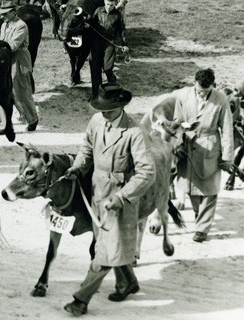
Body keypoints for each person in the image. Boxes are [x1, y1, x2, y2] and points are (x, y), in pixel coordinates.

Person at [62, 83, 155, 317]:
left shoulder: (135, 132)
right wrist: (78, 167)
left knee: (103, 252)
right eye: (101, 108)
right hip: (97, 193)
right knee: (111, 244)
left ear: (121, 106)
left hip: (120, 200)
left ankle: (80, 300)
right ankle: (130, 282)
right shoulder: (96, 122)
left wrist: (122, 197)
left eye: (109, 109)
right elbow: (87, 148)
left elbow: (147, 172)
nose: (105, 113)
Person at [150, 68, 234, 243]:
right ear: (195, 83)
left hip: (210, 146)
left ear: (212, 86)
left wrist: (227, 158)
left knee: (210, 189)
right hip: (187, 146)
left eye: (206, 90)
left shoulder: (221, 100)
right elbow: (177, 122)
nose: (202, 93)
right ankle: (199, 212)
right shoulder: (184, 96)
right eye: (200, 90)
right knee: (191, 187)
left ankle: (202, 229)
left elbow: (227, 129)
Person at [0, 0, 38, 132]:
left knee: (21, 91)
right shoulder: (4, 25)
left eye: (5, 14)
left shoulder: (21, 25)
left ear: (13, 12)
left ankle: (32, 119)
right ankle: (5, 124)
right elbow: (1, 42)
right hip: (6, 60)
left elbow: (13, 46)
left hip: (19, 61)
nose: (2, 16)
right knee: (3, 92)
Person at [91, 0, 127, 84]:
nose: (109, 7)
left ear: (115, 4)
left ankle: (111, 79)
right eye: (107, 4)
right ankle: (97, 90)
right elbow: (91, 22)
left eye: (111, 5)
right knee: (96, 67)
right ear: (104, 1)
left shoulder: (117, 15)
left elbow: (122, 30)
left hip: (110, 43)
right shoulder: (98, 11)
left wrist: (124, 44)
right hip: (96, 42)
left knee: (107, 67)